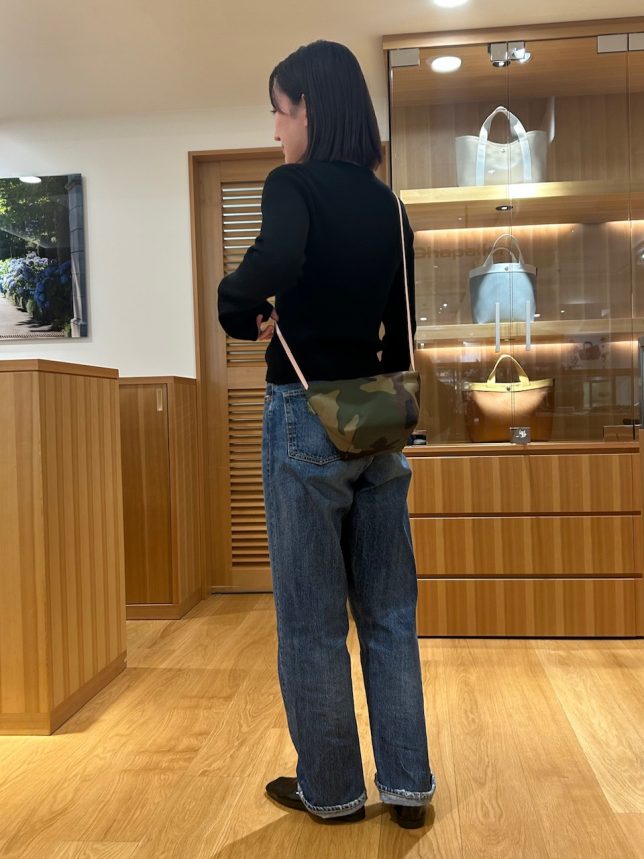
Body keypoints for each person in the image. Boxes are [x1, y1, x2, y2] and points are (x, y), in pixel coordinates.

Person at [218, 40, 435, 829]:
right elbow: (402, 326)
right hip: (378, 422)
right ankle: (407, 787)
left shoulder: (293, 184)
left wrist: (234, 300)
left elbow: (273, 259)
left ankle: (335, 792)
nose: (276, 129)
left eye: (279, 112)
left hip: (305, 417)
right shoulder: (389, 204)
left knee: (312, 623)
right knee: (388, 613)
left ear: (308, 108)